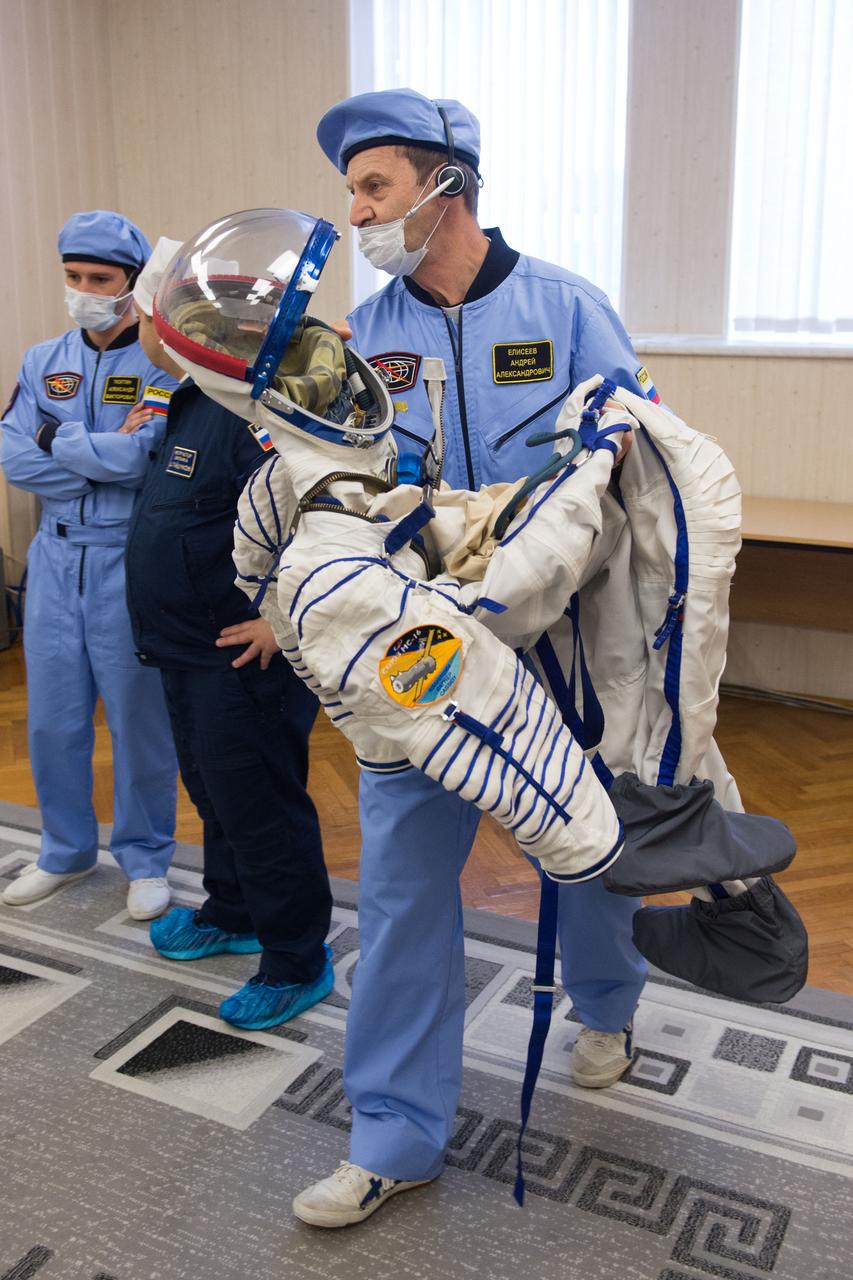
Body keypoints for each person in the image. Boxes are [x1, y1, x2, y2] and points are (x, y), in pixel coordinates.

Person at [291, 88, 656, 1226]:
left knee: (584, 844)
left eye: (373, 187)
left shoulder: (569, 307)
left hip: (559, 644)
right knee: (400, 887)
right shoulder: (371, 332)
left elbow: (637, 472)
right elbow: (340, 480)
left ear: (446, 184)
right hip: (424, 650)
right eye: (352, 190)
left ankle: (605, 1002)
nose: (356, 212)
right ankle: (393, 1131)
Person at [124, 238, 333, 1030]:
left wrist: (279, 618)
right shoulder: (193, 396)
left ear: (167, 322)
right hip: (184, 646)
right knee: (214, 794)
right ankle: (233, 909)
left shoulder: (261, 405)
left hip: (241, 652)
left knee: (259, 804)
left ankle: (295, 957)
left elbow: (327, 516)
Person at [0, 210, 178, 921]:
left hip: (129, 561)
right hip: (53, 560)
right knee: (52, 720)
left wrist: (59, 440)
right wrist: (98, 455)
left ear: (132, 284)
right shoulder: (42, 360)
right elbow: (15, 458)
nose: (82, 290)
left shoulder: (162, 360)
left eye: (98, 279)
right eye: (73, 277)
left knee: (139, 720)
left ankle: (146, 858)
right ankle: (64, 851)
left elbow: (149, 459)